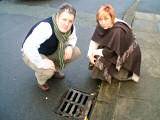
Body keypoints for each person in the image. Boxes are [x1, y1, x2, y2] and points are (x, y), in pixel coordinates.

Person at [21, 3, 81, 91]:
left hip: (50, 50)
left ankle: (54, 70)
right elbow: (28, 47)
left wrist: (69, 46)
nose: (67, 24)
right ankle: (41, 79)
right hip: (32, 53)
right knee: (47, 70)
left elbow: (72, 38)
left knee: (76, 52)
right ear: (57, 16)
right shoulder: (46, 27)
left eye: (70, 21)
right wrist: (41, 63)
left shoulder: (71, 27)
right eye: (64, 19)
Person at [87, 4, 141, 84]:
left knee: (118, 75)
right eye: (100, 19)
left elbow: (108, 52)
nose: (103, 22)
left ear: (112, 17)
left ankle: (124, 72)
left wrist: (94, 52)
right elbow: (95, 41)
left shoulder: (118, 30)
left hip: (127, 56)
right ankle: (109, 70)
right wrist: (90, 54)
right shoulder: (101, 25)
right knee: (97, 56)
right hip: (113, 50)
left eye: (106, 19)